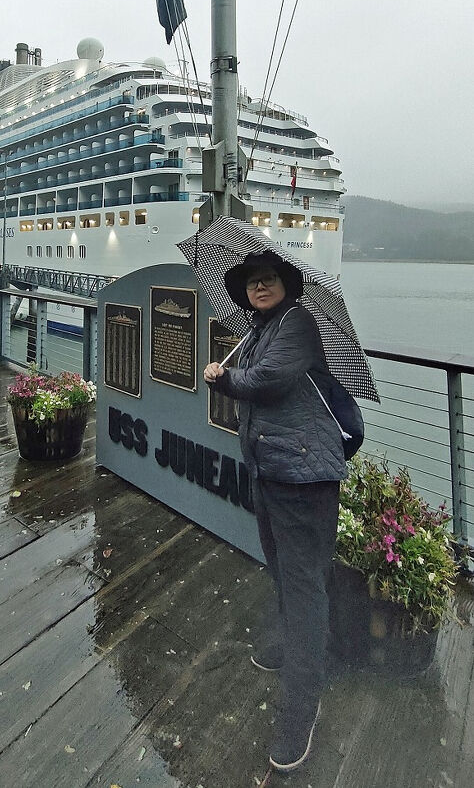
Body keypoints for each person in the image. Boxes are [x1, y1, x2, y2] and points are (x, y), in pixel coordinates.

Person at [203, 251, 347, 773]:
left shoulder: (298, 324)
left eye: (268, 279)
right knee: (281, 571)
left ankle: (301, 708)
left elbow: (267, 381)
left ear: (287, 284)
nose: (259, 287)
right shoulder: (265, 326)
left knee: (305, 586)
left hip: (304, 478)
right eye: (251, 282)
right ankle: (290, 646)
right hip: (273, 470)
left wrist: (223, 378)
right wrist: (233, 370)